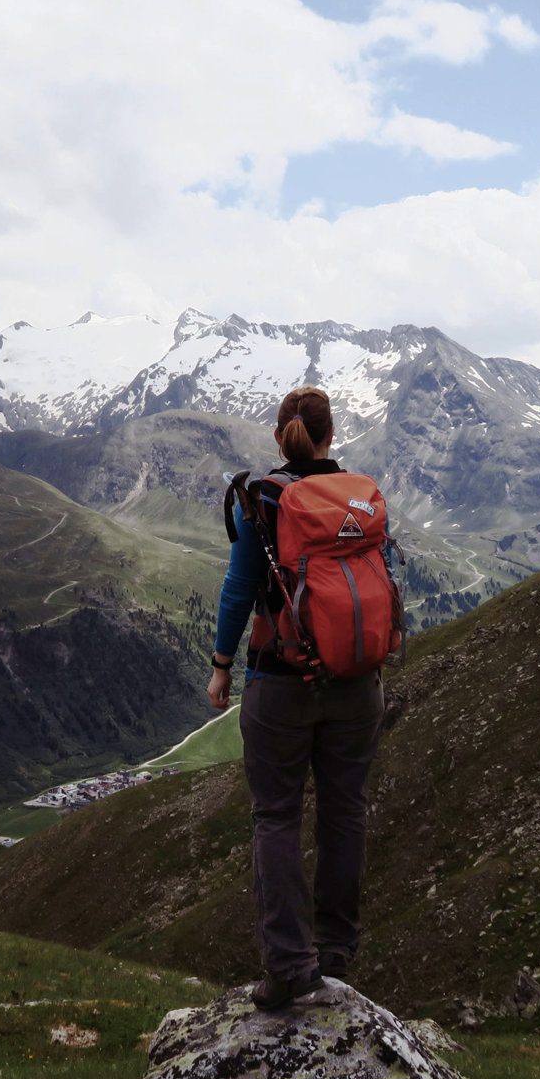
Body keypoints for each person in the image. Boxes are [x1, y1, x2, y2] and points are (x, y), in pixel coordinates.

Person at [208, 387, 388, 1010]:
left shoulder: (266, 500)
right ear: (330, 435)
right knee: (344, 813)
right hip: (357, 683)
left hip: (283, 684)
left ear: (280, 435)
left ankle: (290, 967)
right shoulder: (359, 496)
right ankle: (336, 957)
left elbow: (237, 591)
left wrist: (221, 666)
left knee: (277, 817)